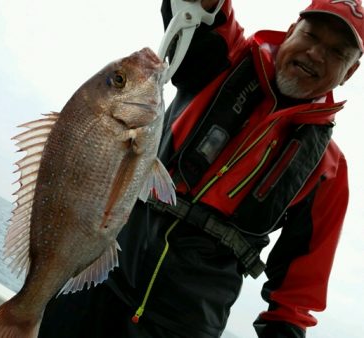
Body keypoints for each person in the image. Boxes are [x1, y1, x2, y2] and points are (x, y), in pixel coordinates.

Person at [39, 0, 363, 337]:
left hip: (184, 328)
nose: (315, 53)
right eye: (311, 35)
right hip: (96, 281)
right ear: (293, 30)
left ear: (351, 71)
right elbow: (204, 9)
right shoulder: (224, 61)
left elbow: (296, 298)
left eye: (337, 52)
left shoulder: (330, 173)